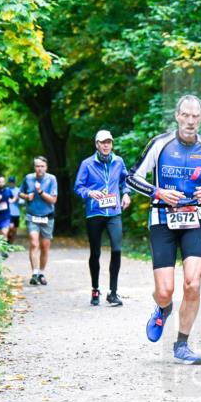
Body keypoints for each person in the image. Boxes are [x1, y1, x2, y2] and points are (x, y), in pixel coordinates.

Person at [128, 95, 201, 365]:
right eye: (186, 115)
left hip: (192, 220)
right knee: (165, 291)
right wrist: (158, 191)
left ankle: (182, 344)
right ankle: (163, 308)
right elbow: (132, 177)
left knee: (193, 284)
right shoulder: (160, 144)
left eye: (196, 116)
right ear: (177, 116)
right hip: (162, 219)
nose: (190, 121)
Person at [74, 129, 131, 306]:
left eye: (109, 142)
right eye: (103, 142)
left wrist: (126, 194)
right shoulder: (87, 164)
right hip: (95, 213)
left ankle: (113, 293)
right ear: (97, 144)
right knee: (95, 253)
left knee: (116, 250)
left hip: (114, 212)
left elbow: (126, 180)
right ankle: (95, 289)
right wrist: (90, 192)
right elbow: (78, 187)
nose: (106, 145)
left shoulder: (118, 161)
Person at [21, 156, 58, 285]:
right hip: (32, 216)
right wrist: (27, 196)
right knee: (34, 243)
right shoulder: (28, 178)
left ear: (46, 167)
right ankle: (34, 273)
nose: (39, 169)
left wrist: (40, 192)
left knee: (45, 246)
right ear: (34, 167)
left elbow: (53, 200)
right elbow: (20, 193)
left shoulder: (51, 179)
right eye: (37, 166)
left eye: (42, 166)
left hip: (47, 216)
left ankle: (41, 273)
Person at [7, 176, 21, 244]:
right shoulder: (6, 190)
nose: (11, 183)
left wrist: (18, 199)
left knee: (15, 229)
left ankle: (11, 243)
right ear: (9, 182)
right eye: (10, 182)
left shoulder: (18, 190)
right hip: (8, 212)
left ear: (15, 182)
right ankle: (8, 240)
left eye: (13, 182)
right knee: (10, 227)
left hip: (16, 212)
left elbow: (22, 201)